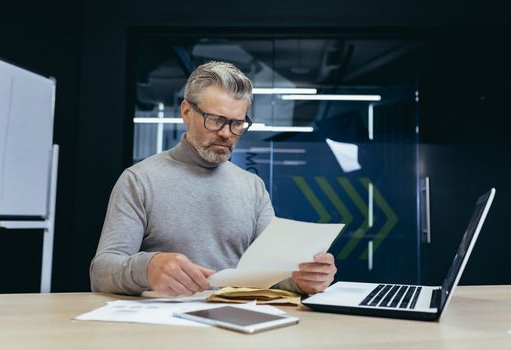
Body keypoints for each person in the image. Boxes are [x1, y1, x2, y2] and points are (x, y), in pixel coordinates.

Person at [90, 61, 337, 296]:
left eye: (237, 124)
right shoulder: (139, 180)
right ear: (186, 112)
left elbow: (272, 271)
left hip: (238, 323)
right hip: (166, 328)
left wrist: (302, 279)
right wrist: (148, 268)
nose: (226, 134)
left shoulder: (252, 187)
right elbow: (101, 272)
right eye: (216, 120)